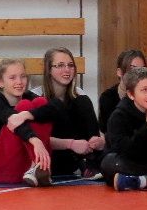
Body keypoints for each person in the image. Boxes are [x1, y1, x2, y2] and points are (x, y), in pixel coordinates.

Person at [0, 59, 60, 186]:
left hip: (23, 168)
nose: (19, 82)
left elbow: (54, 109)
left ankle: (37, 167)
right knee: (24, 106)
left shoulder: (29, 95)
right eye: (12, 78)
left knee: (40, 103)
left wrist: (28, 114)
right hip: (0, 166)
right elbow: (13, 120)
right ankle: (37, 164)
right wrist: (35, 139)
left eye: (23, 76)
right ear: (0, 82)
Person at [31, 47, 105, 179]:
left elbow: (93, 130)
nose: (67, 70)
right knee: (56, 106)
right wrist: (71, 144)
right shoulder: (34, 97)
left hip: (75, 158)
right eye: (60, 65)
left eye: (70, 65)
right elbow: (35, 139)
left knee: (82, 101)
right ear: (49, 70)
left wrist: (97, 141)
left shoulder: (80, 96)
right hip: (48, 157)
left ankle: (89, 163)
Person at [98, 49, 146, 133]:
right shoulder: (107, 97)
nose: (138, 75)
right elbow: (107, 131)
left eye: (142, 71)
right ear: (119, 72)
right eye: (133, 70)